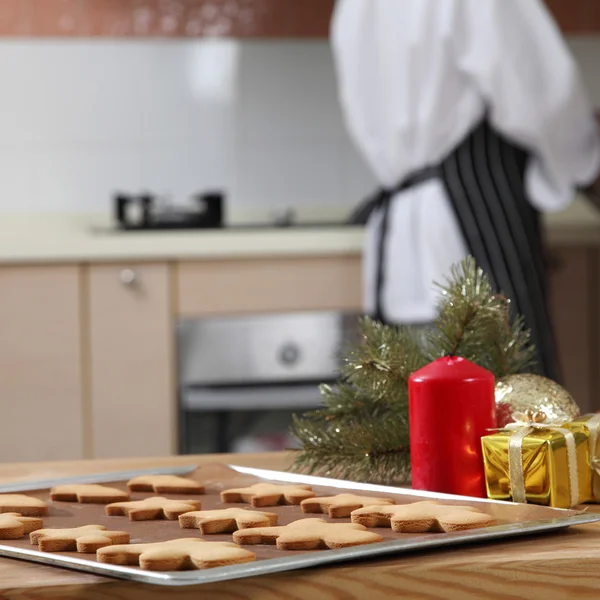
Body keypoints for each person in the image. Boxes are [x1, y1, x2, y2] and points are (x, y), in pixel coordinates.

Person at [332, 0, 600, 381]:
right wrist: (583, 159)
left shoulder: (353, 7)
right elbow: (538, 93)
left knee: (417, 420)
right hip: (473, 222)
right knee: (514, 416)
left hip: (400, 244)